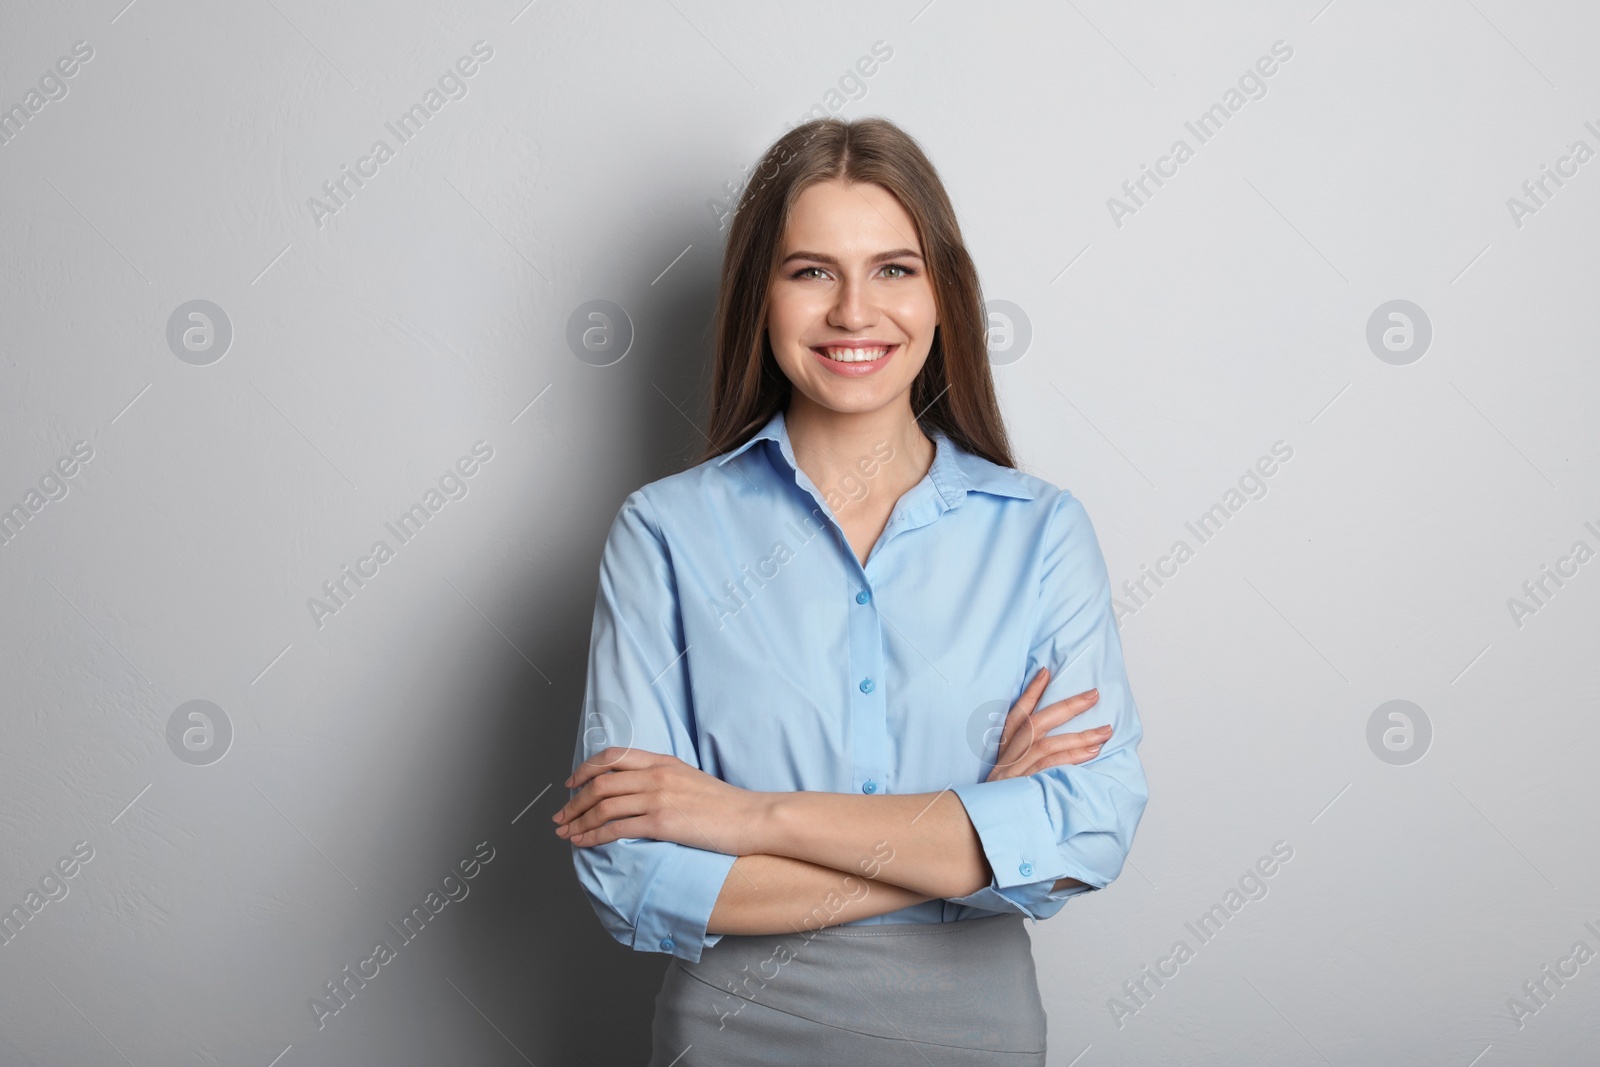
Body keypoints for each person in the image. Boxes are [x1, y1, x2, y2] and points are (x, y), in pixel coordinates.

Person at [553, 116, 1149, 1065]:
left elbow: (1085, 828)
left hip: (976, 1039)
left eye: (894, 269)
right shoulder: (663, 533)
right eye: (811, 271)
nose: (854, 312)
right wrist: (977, 823)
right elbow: (631, 869)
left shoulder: (1040, 531)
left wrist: (749, 816)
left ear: (943, 293)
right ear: (761, 296)